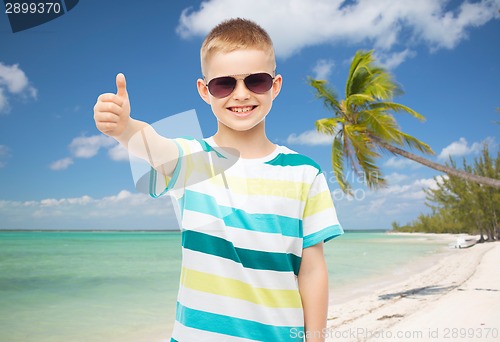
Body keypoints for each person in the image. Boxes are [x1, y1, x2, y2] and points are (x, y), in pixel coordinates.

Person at [93, 18, 343, 342]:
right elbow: (154, 146)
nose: (241, 94)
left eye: (256, 81)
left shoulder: (304, 173)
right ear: (204, 91)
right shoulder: (193, 163)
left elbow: (312, 271)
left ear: (276, 85)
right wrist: (124, 128)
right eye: (224, 84)